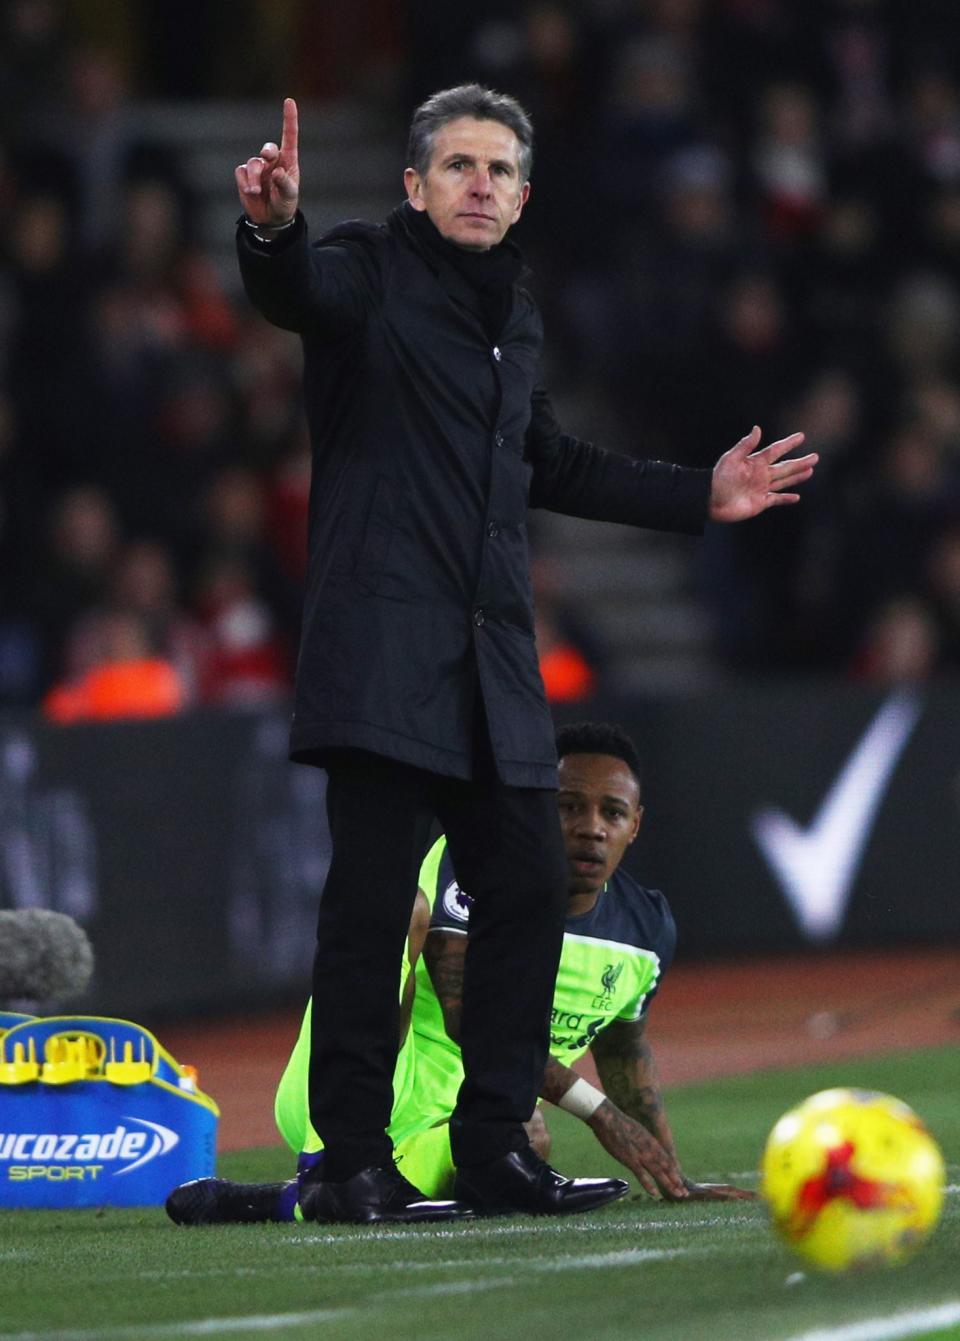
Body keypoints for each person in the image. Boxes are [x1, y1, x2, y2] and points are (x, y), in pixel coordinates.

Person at [232, 85, 816, 1225]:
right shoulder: (364, 269)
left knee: (528, 885)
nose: (479, 186)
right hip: (386, 651)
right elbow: (292, 290)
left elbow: (547, 457)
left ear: (523, 196)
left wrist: (701, 493)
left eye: (499, 171)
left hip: (493, 660)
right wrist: (271, 229)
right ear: (414, 185)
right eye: (457, 166)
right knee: (366, 912)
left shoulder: (518, 317)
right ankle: (352, 1161)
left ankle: (494, 1146)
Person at [166, 722, 754, 1226]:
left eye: (612, 812)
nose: (590, 827)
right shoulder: (477, 861)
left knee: (518, 1140)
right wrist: (599, 1115)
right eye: (569, 806)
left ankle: (270, 1203)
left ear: (636, 825)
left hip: (467, 1123)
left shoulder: (646, 930)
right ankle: (332, 1161)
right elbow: (469, 1011)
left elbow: (625, 1051)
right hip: (356, 1092)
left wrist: (672, 1174)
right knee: (398, 910)